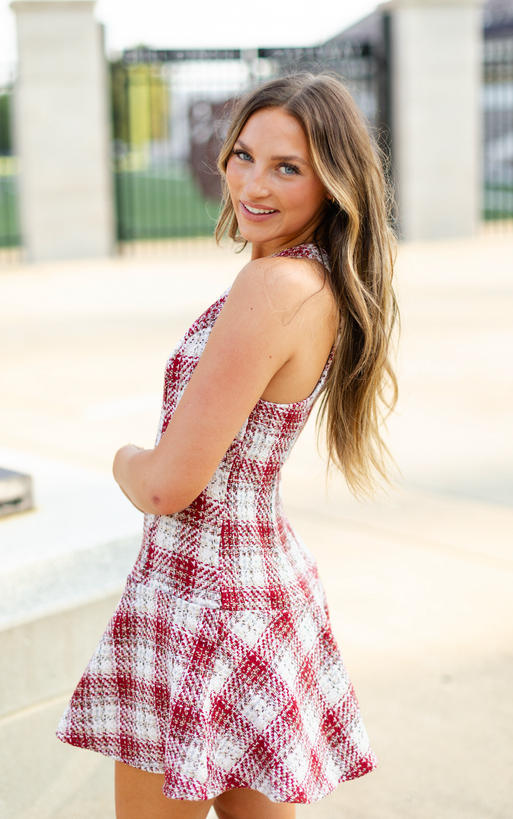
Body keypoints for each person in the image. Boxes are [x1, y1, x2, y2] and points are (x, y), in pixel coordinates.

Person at [57, 72, 398, 819]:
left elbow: (165, 485)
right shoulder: (315, 282)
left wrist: (122, 456)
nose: (253, 182)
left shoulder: (275, 286)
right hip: (253, 588)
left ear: (333, 181)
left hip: (199, 596)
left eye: (288, 167)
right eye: (243, 154)